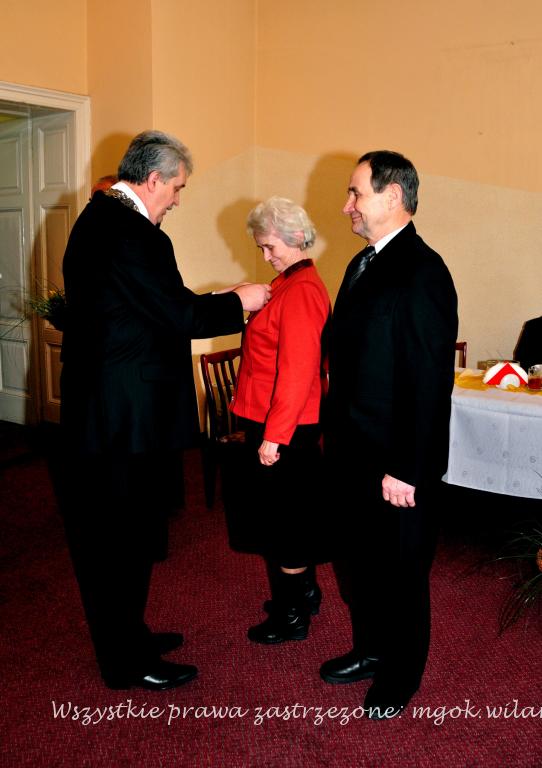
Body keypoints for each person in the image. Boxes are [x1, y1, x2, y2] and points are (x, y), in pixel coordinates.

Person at [59, 130, 270, 691]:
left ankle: (130, 636)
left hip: (111, 410)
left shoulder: (101, 219)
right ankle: (126, 661)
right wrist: (240, 302)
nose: (177, 199)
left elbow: (149, 309)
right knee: (121, 542)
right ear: (153, 179)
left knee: (124, 537)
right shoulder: (133, 233)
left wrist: (211, 301)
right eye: (176, 187)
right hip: (124, 417)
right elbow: (180, 317)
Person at [319, 151, 458, 719]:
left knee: (400, 573)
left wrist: (406, 467)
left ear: (393, 195)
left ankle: (401, 675)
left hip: (395, 461)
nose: (347, 205)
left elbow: (429, 382)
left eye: (356, 193)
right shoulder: (362, 263)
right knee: (359, 565)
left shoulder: (424, 272)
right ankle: (371, 649)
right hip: (352, 452)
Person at [227, 196, 331, 644]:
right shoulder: (288, 283)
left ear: (296, 237)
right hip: (273, 418)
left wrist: (274, 437)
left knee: (286, 524)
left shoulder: (302, 290)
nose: (266, 255)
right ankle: (303, 594)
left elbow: (298, 372)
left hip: (284, 425)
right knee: (286, 517)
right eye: (262, 247)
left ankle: (292, 617)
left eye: (270, 246)